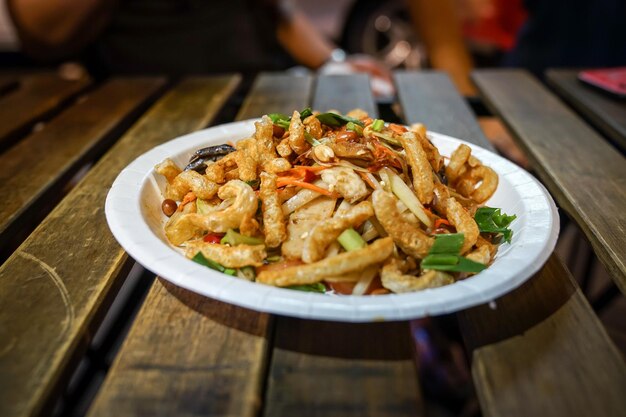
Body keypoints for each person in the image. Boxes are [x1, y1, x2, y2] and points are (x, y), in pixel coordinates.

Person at [3, 0, 392, 95]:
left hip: (263, 86)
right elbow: (42, 32)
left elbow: (272, 7)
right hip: (142, 96)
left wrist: (332, 63)